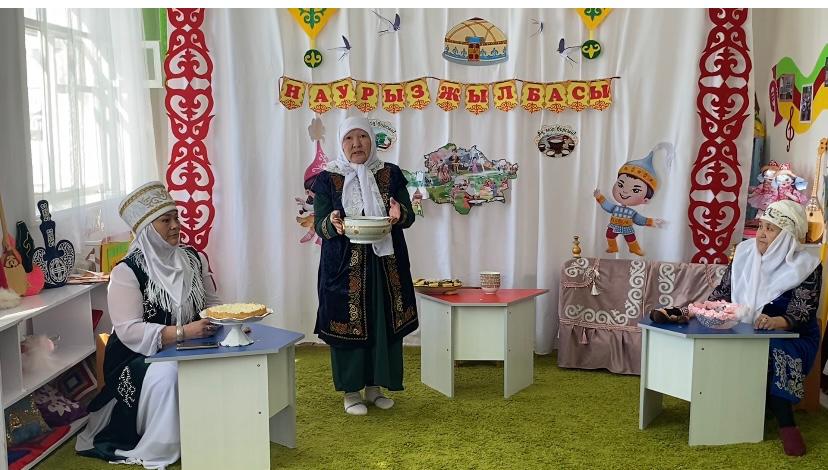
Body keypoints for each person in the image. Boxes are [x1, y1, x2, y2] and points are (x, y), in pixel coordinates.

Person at [652, 199, 821, 456]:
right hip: (744, 327)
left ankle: (786, 423)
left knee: (774, 350)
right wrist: (706, 310)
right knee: (711, 336)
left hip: (790, 333)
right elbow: (723, 294)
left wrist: (774, 321)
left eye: (770, 229)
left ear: (787, 236)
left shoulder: (807, 265)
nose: (761, 234)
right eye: (761, 226)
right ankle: (726, 405)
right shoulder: (743, 254)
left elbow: (803, 311)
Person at [76, 181, 221, 469]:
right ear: (146, 229)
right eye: (165, 220)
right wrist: (183, 332)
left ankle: (217, 427)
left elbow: (212, 301)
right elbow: (128, 331)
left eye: (176, 217)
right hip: (137, 355)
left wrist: (228, 322)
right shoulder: (126, 272)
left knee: (232, 359)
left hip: (190, 343)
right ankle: (162, 444)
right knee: (169, 374)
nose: (176, 226)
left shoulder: (194, 259)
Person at [312, 116, 418, 415]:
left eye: (362, 137)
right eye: (349, 138)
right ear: (341, 143)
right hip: (343, 267)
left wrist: (399, 213)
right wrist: (331, 222)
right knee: (349, 324)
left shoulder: (390, 174)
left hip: (385, 264)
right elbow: (320, 223)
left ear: (372, 140)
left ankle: (375, 388)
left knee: (382, 322)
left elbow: (407, 215)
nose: (356, 144)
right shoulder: (328, 178)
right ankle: (351, 392)